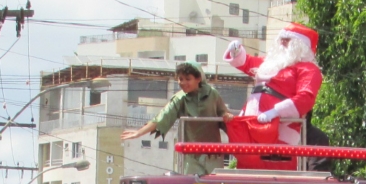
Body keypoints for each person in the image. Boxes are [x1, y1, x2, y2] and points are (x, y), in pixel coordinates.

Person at [223, 23, 323, 169]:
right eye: (281, 38)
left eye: (287, 39)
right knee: (246, 164)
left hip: (281, 126)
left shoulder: (308, 68)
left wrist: (275, 112)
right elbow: (248, 63)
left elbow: (305, 98)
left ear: (300, 45)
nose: (281, 42)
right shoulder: (270, 63)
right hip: (250, 122)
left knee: (275, 166)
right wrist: (236, 52)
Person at [121, 61, 233, 175]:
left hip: (213, 154)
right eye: (180, 79)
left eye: (188, 79)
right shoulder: (180, 98)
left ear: (198, 79)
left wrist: (227, 116)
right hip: (191, 155)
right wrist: (139, 133)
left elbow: (224, 113)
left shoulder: (212, 94)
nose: (183, 82)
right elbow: (163, 117)